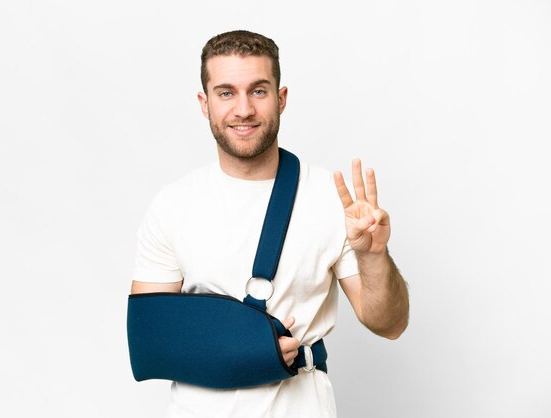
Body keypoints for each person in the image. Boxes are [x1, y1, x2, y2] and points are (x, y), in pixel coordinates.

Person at [130, 30, 409, 418]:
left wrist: (374, 256)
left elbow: (390, 324)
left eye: (258, 91)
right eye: (226, 93)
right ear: (204, 103)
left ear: (281, 99)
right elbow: (151, 342)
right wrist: (251, 352)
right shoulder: (174, 204)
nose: (243, 109)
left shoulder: (330, 200)